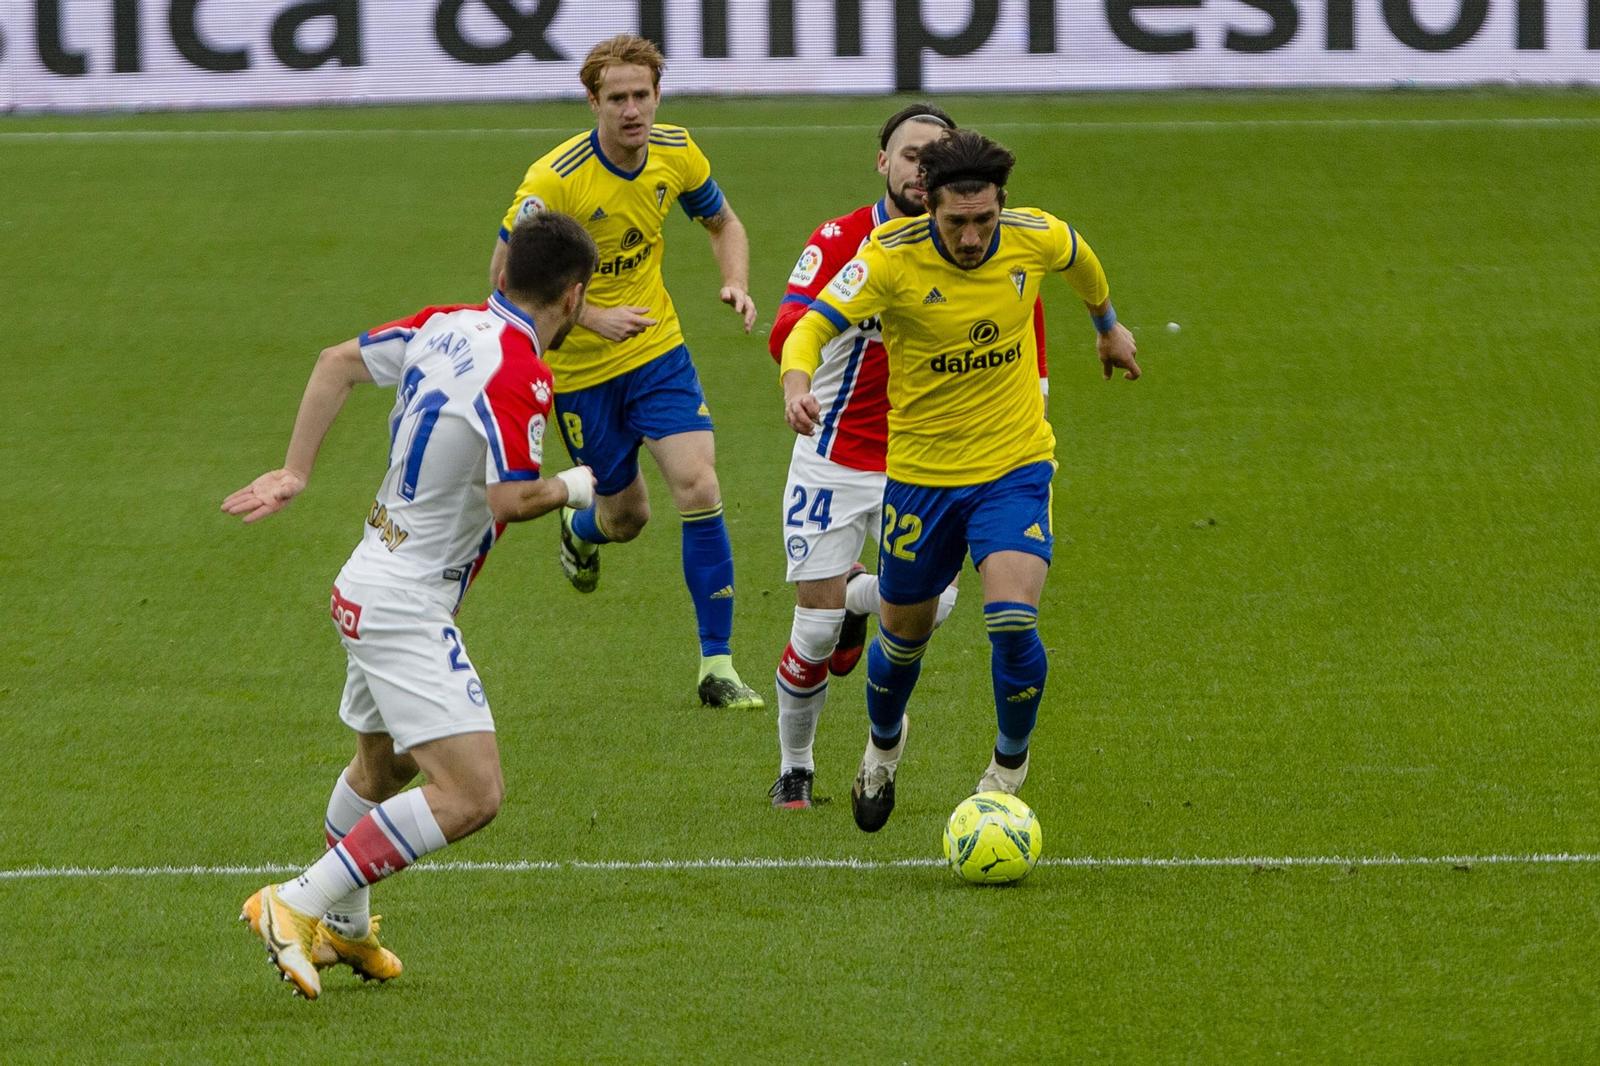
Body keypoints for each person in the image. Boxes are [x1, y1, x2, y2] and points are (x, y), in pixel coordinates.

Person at [225, 212, 599, 999]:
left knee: (385, 765)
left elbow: (335, 362)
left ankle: (345, 928)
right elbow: (511, 499)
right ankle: (296, 902)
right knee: (472, 794)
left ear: (504, 276)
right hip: (404, 604)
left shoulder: (445, 323)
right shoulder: (521, 373)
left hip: (368, 576)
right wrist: (577, 485)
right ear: (573, 296)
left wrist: (296, 471)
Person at [779, 129, 1141, 832]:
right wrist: (797, 383)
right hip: (922, 478)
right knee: (901, 643)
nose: (972, 238)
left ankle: (1006, 772)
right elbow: (811, 327)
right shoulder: (888, 257)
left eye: (984, 220)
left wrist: (1107, 325)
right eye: (956, 223)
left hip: (1013, 466)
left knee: (1012, 620)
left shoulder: (1033, 236)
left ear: (1001, 204)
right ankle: (883, 748)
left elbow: (1080, 258)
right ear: (930, 209)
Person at [764, 104, 1050, 809]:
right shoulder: (844, 243)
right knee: (815, 631)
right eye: (910, 155)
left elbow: (1029, 338)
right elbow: (787, 330)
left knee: (936, 607)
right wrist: (859, 314)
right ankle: (796, 767)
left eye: (933, 156)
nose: (921, 169)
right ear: (883, 163)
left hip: (928, 461)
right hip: (834, 451)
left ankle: (867, 603)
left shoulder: (993, 248)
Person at [489, 34, 762, 710]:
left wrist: (735, 281)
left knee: (699, 485)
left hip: (657, 349)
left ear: (658, 95)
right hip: (580, 372)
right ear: (593, 102)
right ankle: (580, 529)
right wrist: (590, 316)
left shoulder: (677, 152)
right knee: (627, 517)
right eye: (617, 98)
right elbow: (502, 281)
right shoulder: (554, 181)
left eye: (643, 95)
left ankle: (717, 665)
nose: (632, 110)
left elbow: (724, 223)